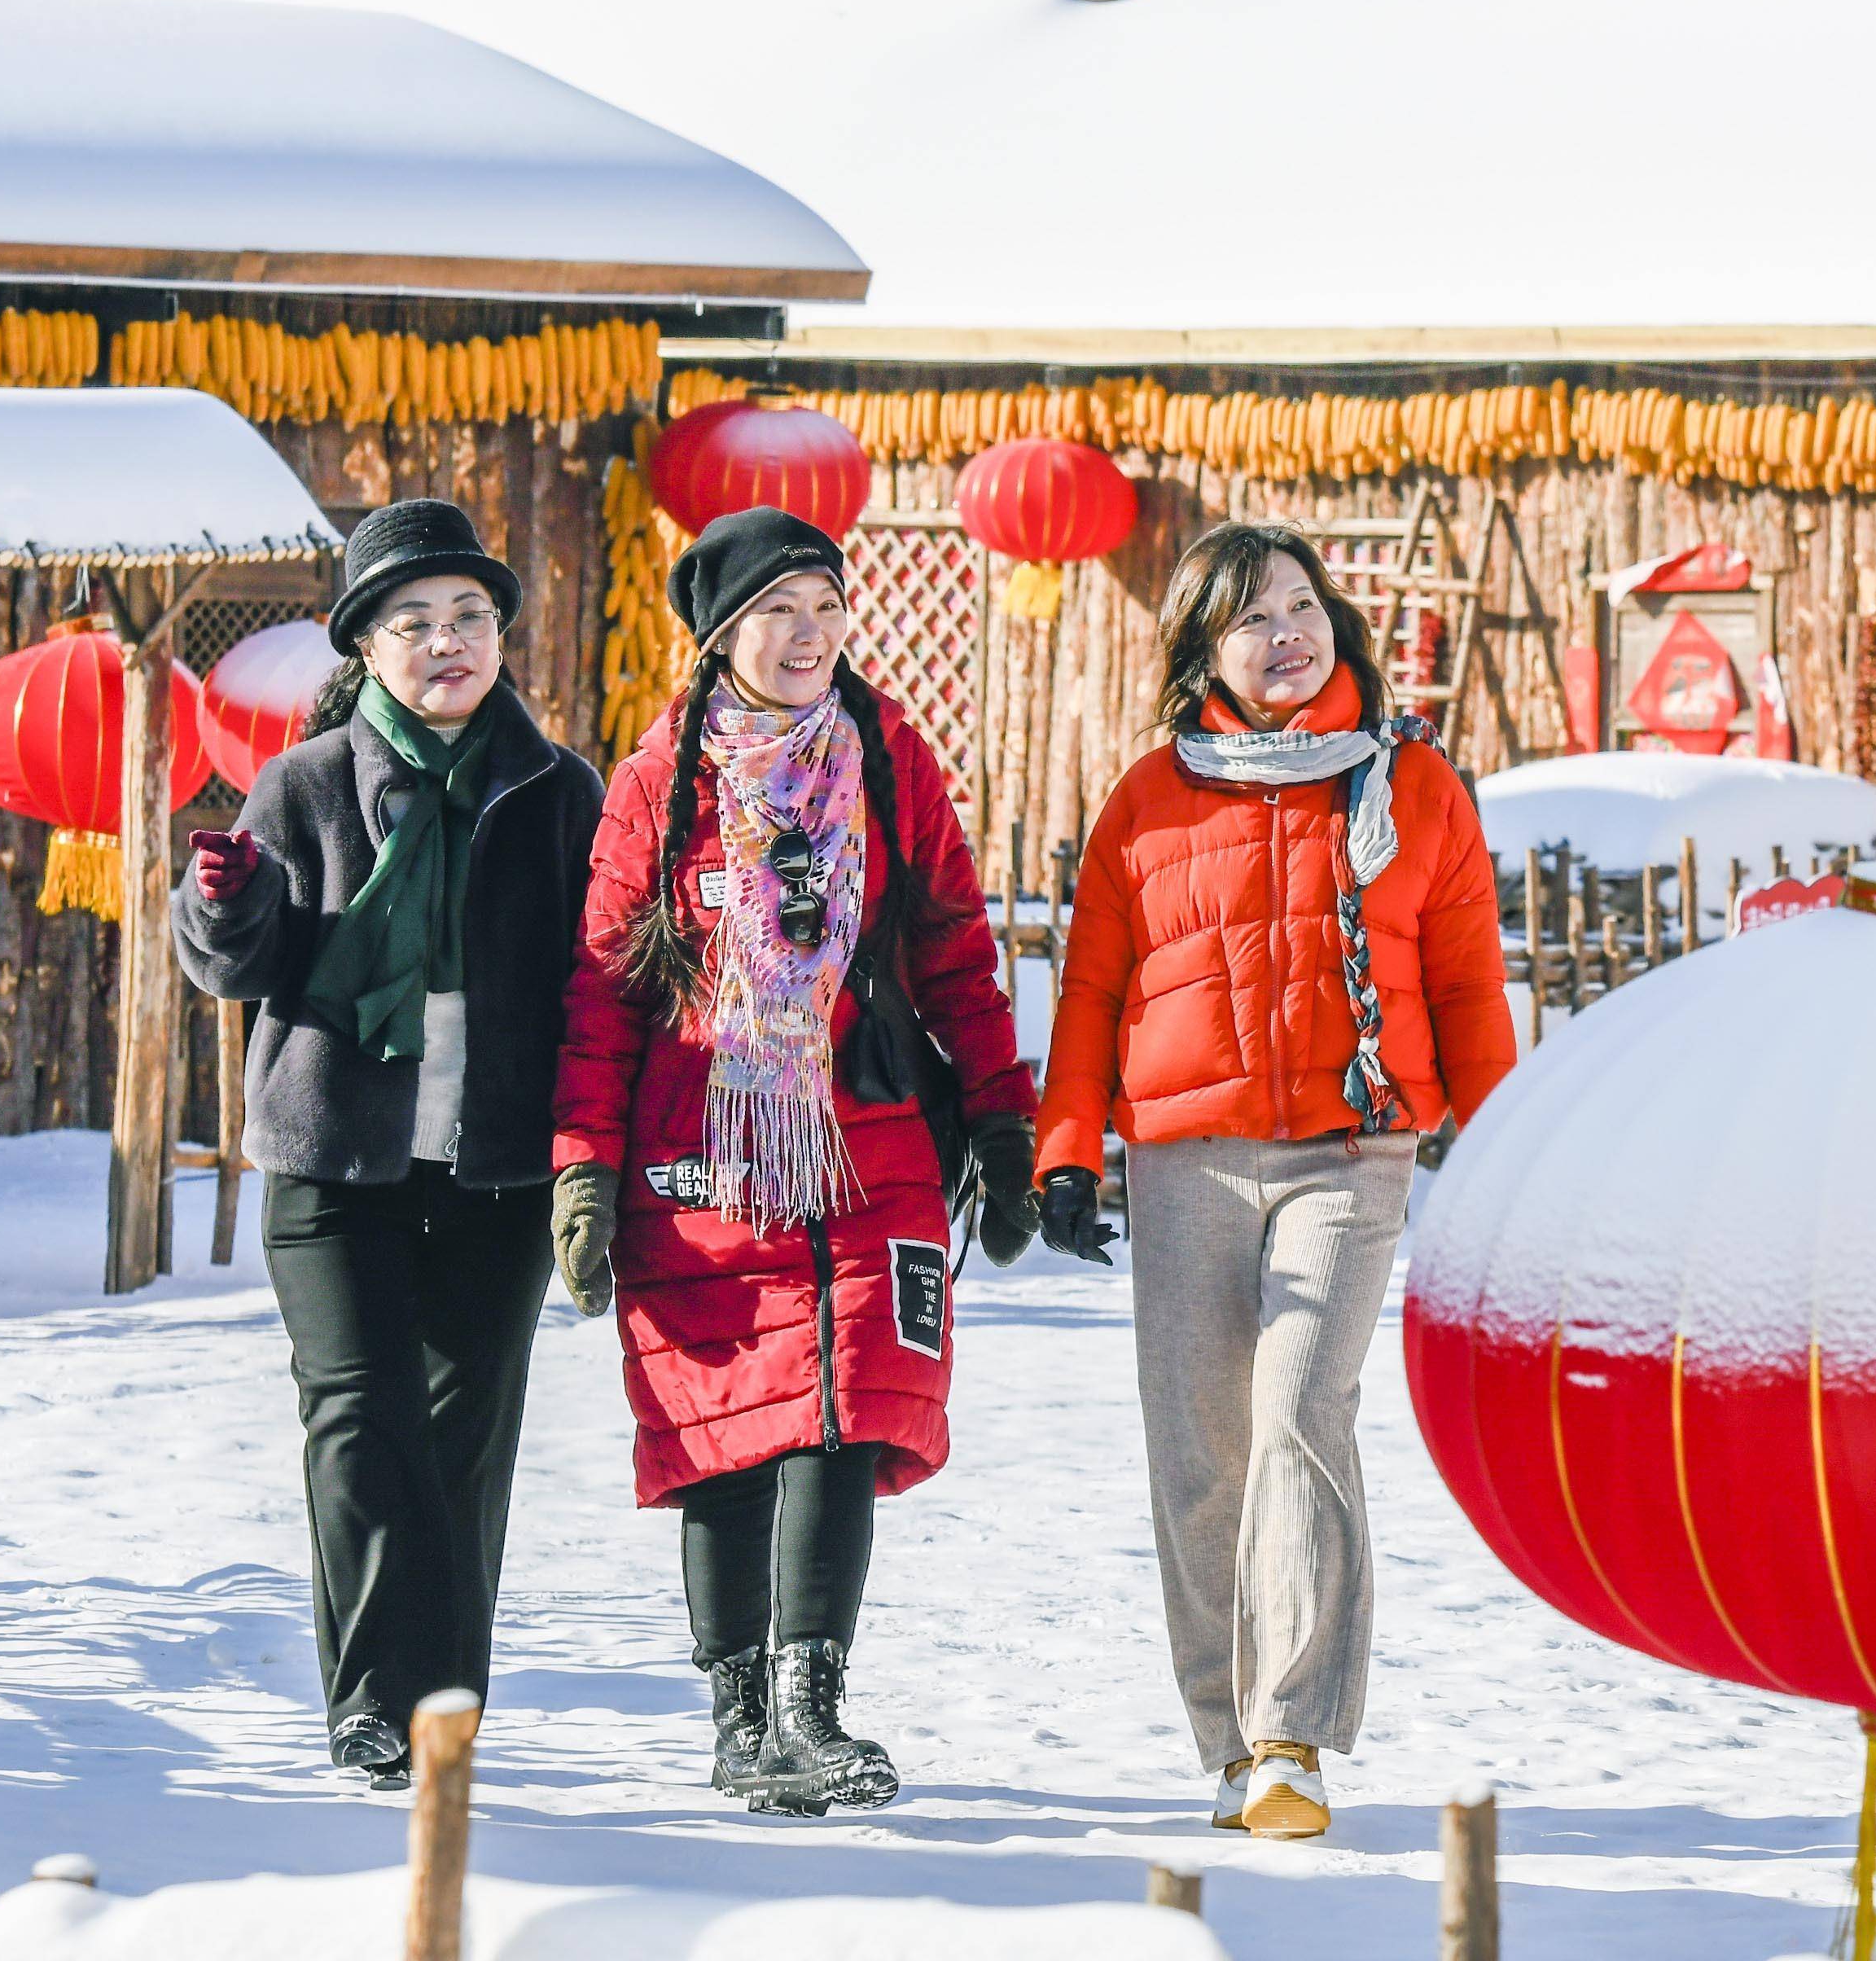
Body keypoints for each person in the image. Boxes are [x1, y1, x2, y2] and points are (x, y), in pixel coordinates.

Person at [552, 507, 1041, 1815]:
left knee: (849, 1401)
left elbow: (952, 944)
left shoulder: (886, 755)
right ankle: (739, 1721)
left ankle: (813, 1707)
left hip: (869, 1134)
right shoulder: (660, 783)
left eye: (827, 606)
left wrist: (1002, 1119)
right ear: (723, 634)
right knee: (721, 1426)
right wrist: (583, 1168)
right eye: (781, 611)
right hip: (698, 1146)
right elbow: (604, 993)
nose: (811, 634)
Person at [1038, 520, 1519, 1842]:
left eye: (1302, 605)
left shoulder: (1410, 786)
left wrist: (1506, 1140)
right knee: (1201, 1454)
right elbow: (1092, 989)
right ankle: (1224, 1732)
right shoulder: (1149, 798)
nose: (1287, 634)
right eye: (1252, 616)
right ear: (1203, 644)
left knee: (1303, 1408)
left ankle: (1290, 1736)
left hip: (1352, 1150)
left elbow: (1471, 982)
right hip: (1186, 1155)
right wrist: (1070, 1150)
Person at [173, 500, 602, 1791]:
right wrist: (225, 898)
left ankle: (444, 1704)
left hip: (496, 1169)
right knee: (360, 1423)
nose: (446, 642)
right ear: (364, 648)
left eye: (468, 616)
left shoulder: (557, 788)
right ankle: (371, 1703)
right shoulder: (305, 784)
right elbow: (233, 966)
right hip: (330, 1156)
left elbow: (601, 973)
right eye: (413, 622)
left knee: (465, 1437)